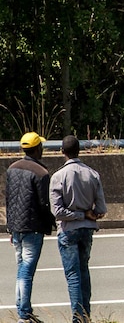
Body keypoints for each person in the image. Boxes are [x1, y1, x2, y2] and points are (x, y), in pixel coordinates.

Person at [50, 135, 108, 323]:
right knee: (84, 271)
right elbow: (101, 209)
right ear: (79, 151)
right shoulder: (92, 174)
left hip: (68, 230)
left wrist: (77, 215)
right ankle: (86, 315)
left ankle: (77, 317)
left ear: (62, 152)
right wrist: (86, 214)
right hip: (87, 230)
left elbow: (57, 211)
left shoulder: (58, 176)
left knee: (73, 275)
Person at [6, 132, 54, 323]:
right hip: (32, 227)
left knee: (21, 268)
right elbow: (44, 204)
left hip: (16, 227)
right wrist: (50, 223)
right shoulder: (41, 173)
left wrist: (10, 226)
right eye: (41, 147)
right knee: (27, 271)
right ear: (36, 149)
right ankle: (24, 314)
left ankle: (22, 309)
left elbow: (8, 200)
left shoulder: (11, 168)